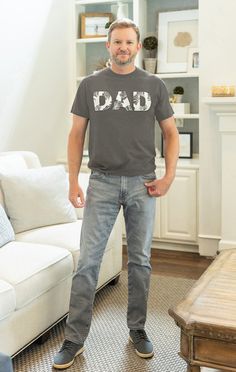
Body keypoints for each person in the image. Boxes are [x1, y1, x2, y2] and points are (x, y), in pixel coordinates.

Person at [53, 18, 179, 370]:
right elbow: (76, 134)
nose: (123, 47)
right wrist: (73, 180)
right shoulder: (90, 86)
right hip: (102, 183)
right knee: (88, 264)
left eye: (128, 42)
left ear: (137, 47)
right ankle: (74, 339)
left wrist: (169, 176)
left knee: (140, 262)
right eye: (117, 42)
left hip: (143, 183)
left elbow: (170, 133)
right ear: (107, 46)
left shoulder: (154, 85)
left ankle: (137, 330)